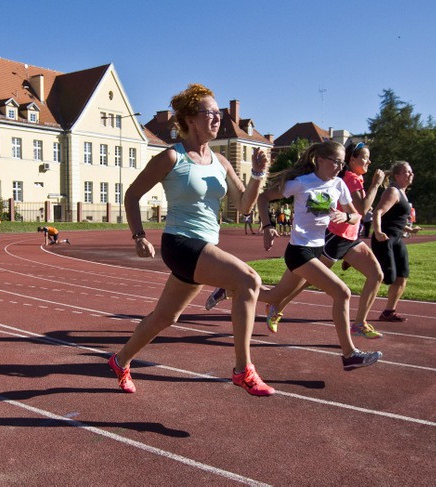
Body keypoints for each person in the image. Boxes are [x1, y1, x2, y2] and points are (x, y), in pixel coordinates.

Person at [107, 83, 274, 397]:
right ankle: (243, 370)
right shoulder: (171, 157)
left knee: (165, 317)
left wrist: (256, 175)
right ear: (189, 119)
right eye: (208, 112)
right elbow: (132, 195)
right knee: (249, 280)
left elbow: (244, 206)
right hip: (181, 243)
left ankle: (120, 360)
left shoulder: (221, 162)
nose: (216, 118)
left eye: (217, 112)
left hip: (205, 246)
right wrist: (139, 235)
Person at [231, 142, 387, 339]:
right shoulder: (304, 182)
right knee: (339, 291)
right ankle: (349, 352)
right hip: (308, 247)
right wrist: (268, 227)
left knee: (275, 295)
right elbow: (264, 197)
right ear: (321, 160)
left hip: (329, 244)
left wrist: (346, 217)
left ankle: (232, 289)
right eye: (336, 162)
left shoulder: (339, 183)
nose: (340, 167)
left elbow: (356, 215)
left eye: (341, 163)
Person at [372, 161, 421, 322]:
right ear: (397, 175)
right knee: (388, 278)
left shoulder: (403, 193)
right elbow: (378, 212)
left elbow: (395, 220)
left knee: (402, 276)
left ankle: (389, 312)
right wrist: (378, 231)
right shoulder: (393, 191)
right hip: (384, 239)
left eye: (411, 172)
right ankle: (357, 261)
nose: (410, 174)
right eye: (407, 172)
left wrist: (409, 229)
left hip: (397, 240)